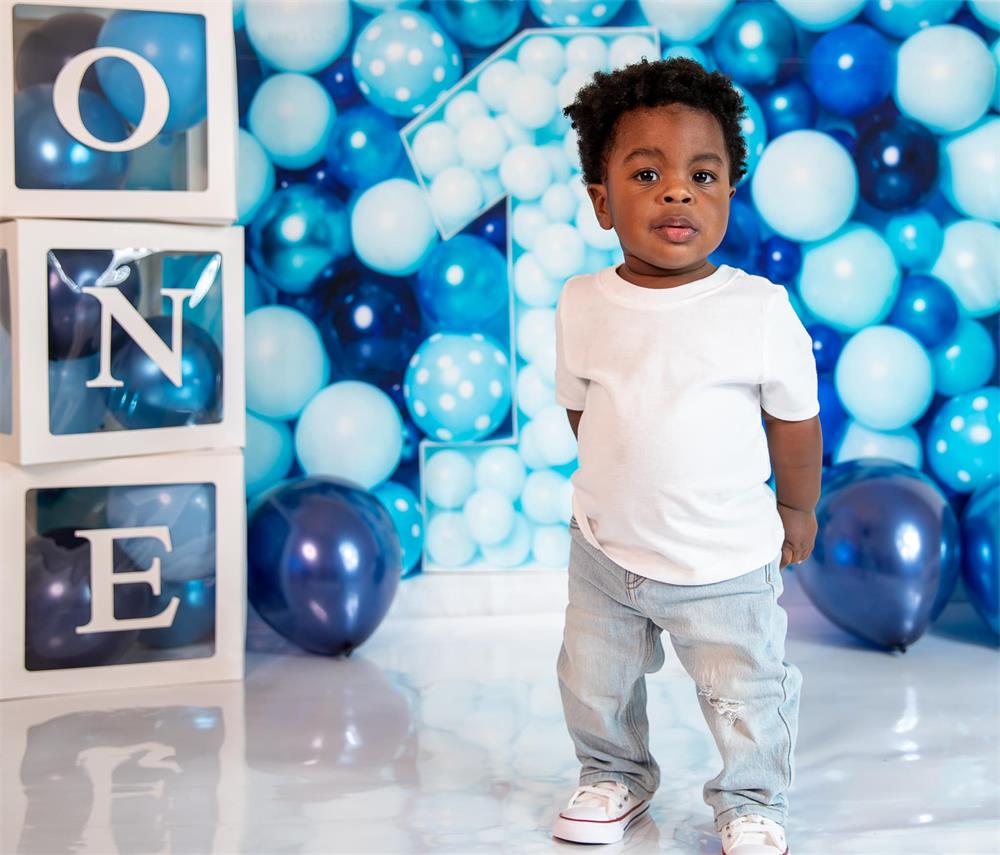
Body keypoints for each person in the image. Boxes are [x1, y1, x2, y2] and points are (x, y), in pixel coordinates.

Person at [551, 58, 822, 855]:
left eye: (702, 174)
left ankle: (751, 798)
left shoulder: (757, 310)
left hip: (724, 560)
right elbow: (584, 405)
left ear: (728, 194)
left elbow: (795, 421)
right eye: (646, 172)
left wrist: (797, 506)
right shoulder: (582, 302)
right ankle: (614, 775)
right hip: (605, 551)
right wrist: (619, 486)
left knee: (743, 690)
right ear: (602, 201)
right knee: (592, 681)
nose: (678, 191)